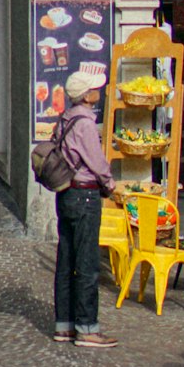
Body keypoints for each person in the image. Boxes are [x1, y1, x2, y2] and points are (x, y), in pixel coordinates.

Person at [53, 71, 118, 348]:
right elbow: (97, 163)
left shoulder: (65, 119)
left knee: (66, 261)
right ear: (86, 95)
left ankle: (64, 325)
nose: (98, 92)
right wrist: (112, 186)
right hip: (85, 197)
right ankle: (87, 328)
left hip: (66, 195)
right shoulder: (86, 124)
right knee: (88, 264)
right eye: (95, 89)